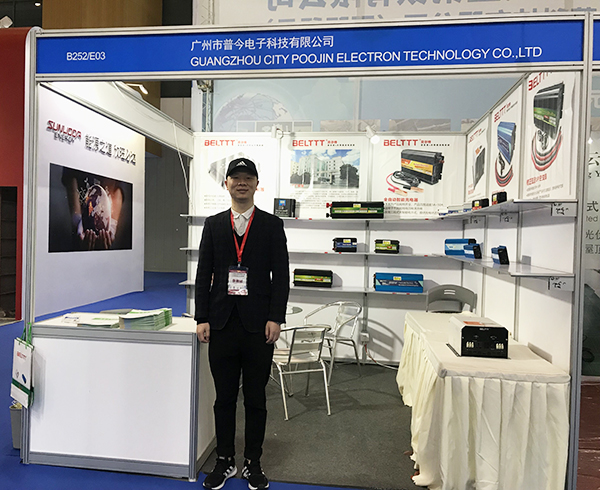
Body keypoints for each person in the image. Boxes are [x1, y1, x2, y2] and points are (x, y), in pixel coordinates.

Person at [195, 157, 290, 490]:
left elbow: (281, 276)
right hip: (221, 323)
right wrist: (202, 317)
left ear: (256, 184)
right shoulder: (213, 225)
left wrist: (276, 317)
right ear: (227, 184)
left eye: (248, 178)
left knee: (255, 399)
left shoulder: (271, 225)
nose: (241, 183)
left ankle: (253, 461)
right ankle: (224, 460)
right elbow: (203, 273)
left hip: (258, 326)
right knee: (223, 398)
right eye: (236, 178)